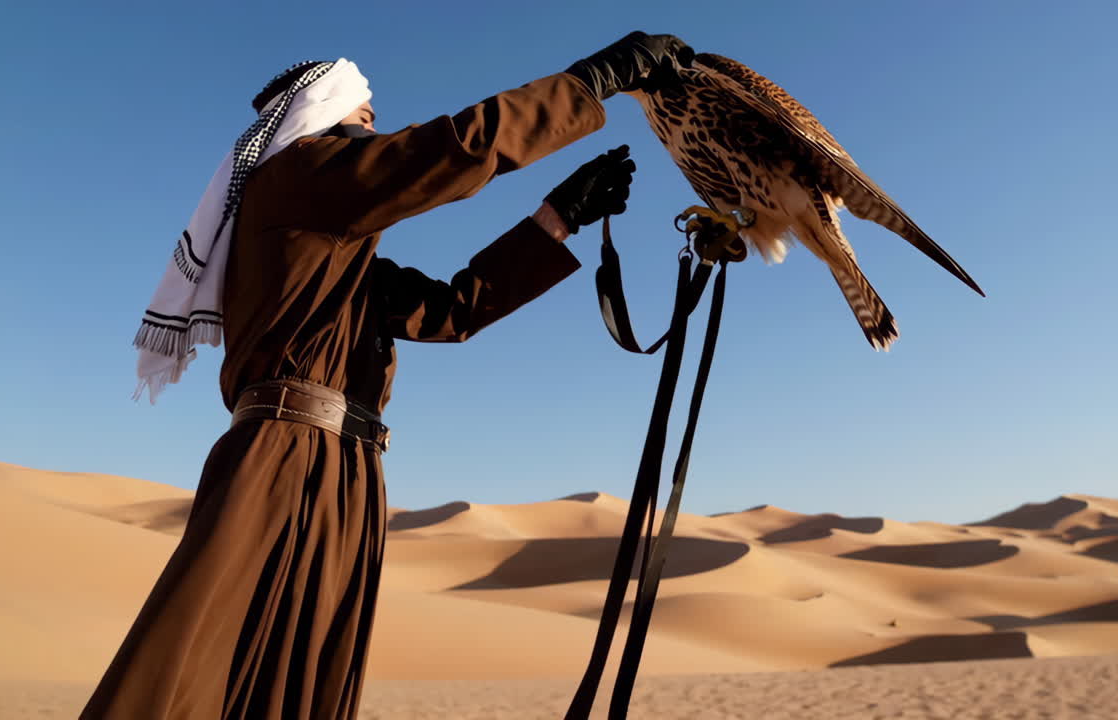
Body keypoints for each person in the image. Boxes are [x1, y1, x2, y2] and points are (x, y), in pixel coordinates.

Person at [82, 31, 692, 720]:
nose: (372, 124)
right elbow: (446, 151)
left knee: (301, 688)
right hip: (281, 461)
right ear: (313, 114)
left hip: (347, 470)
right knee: (192, 677)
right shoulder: (298, 176)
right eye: (362, 112)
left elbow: (451, 311)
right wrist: (590, 82)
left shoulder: (332, 261)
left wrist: (556, 220)